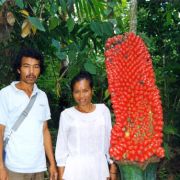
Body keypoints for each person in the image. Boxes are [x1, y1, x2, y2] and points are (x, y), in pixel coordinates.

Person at [0, 48, 58, 180]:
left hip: (38, 167)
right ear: (18, 69)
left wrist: (52, 164)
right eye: (26, 66)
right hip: (14, 167)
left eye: (36, 67)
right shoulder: (5, 94)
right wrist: (1, 166)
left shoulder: (42, 96)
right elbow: (0, 131)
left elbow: (45, 131)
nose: (31, 72)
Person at [55, 71, 117, 180]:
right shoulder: (66, 115)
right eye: (77, 92)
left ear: (92, 90)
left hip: (99, 169)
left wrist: (112, 169)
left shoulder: (103, 111)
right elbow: (61, 148)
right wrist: (61, 176)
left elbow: (110, 140)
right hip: (74, 171)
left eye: (85, 91)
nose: (81, 96)